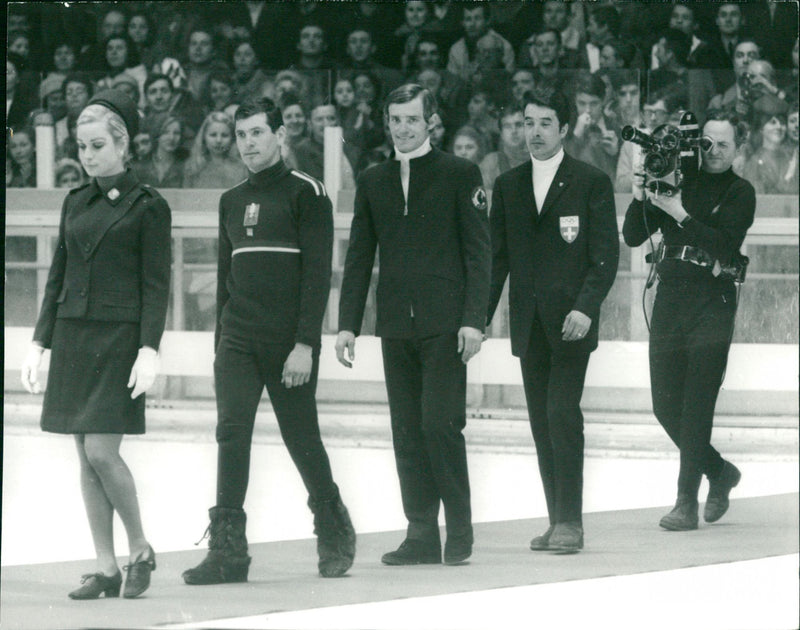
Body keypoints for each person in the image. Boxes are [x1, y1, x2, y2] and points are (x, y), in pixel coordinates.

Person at [182, 96, 355, 584]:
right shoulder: (230, 200)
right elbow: (225, 277)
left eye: (257, 132)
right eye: (241, 135)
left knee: (301, 437)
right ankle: (228, 552)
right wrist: (220, 342)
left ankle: (333, 526)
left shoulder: (308, 193)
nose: (248, 143)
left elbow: (318, 275)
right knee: (230, 433)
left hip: (287, 343)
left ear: (280, 135)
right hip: (237, 339)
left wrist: (306, 344)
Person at [20, 89, 171, 599]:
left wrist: (150, 348)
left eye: (98, 145)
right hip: (74, 335)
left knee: (103, 453)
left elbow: (156, 284)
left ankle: (141, 546)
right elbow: (57, 275)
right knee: (84, 457)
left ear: (123, 145)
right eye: (82, 147)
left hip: (118, 339)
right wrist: (40, 340)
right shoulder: (74, 200)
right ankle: (106, 566)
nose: (88, 156)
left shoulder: (148, 205)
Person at [336, 83, 491, 566]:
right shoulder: (374, 179)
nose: (403, 127)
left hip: (446, 324)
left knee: (438, 425)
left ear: (431, 123)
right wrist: (347, 325)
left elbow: (478, 254)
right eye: (395, 119)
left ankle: (460, 527)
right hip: (395, 326)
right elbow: (360, 256)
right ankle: (421, 531)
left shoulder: (460, 174)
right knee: (406, 429)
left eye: (411, 119)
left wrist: (473, 321)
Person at [487, 85, 619, 554]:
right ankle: (554, 519)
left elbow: (605, 255)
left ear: (564, 128)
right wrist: (475, 319)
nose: (535, 132)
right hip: (528, 325)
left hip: (571, 322)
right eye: (528, 122)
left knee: (562, 414)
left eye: (545, 123)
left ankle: (572, 522)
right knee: (542, 422)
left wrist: (586, 307)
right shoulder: (507, 185)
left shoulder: (590, 181)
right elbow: (495, 260)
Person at [622, 110, 754, 531]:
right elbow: (632, 236)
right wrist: (643, 195)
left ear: (738, 150)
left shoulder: (740, 191)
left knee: (696, 404)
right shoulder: (678, 179)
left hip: (713, 301)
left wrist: (678, 212)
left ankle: (685, 501)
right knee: (665, 406)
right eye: (706, 143)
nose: (712, 152)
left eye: (723, 145)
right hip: (671, 298)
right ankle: (720, 472)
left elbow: (724, 245)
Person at [183, 111, 248, 189]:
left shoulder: (242, 168)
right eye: (213, 135)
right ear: (204, 137)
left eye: (224, 135)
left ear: (232, 139)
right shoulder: (193, 166)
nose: (218, 140)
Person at [479, 104, 529, 189]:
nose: (514, 131)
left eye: (519, 125)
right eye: (507, 126)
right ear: (501, 133)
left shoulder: (541, 160)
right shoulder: (491, 164)